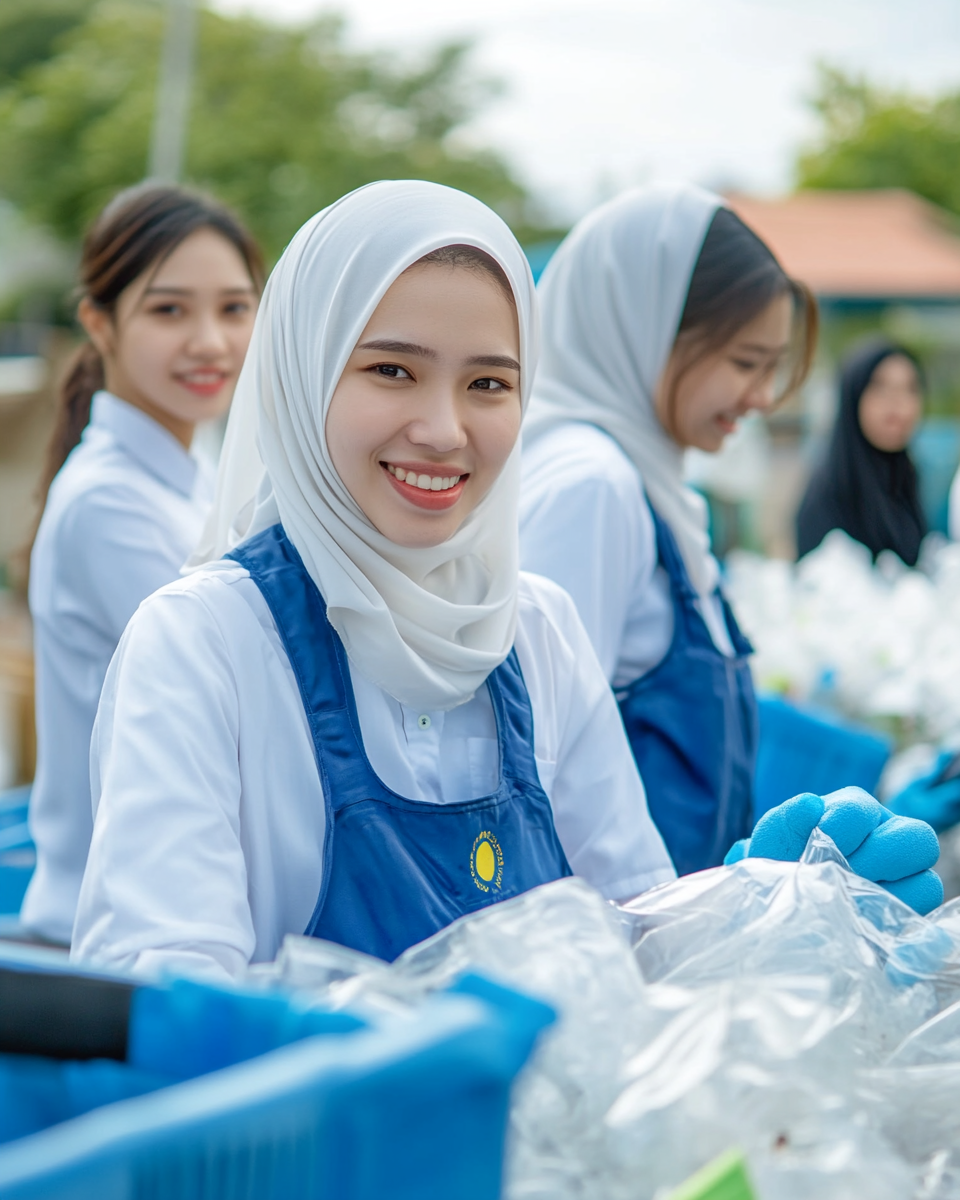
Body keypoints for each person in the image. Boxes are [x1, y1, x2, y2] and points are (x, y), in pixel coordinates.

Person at [71, 182, 941, 981]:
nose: (445, 429)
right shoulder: (205, 642)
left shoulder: (536, 628)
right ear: (301, 376)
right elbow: (166, 1003)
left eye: (489, 382)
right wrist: (436, 1031)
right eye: (391, 370)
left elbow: (633, 938)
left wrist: (766, 914)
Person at [519, 183, 817, 876]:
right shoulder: (591, 487)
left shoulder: (649, 482)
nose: (763, 398)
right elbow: (543, 763)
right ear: (642, 330)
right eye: (746, 363)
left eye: (772, 368)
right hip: (626, 939)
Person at [23, 184, 263, 944]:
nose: (210, 342)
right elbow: (246, 693)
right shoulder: (109, 504)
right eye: (169, 310)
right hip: (116, 931)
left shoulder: (190, 474)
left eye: (233, 308)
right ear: (98, 323)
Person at [796, 338, 927, 565]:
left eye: (910, 389)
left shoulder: (906, 479)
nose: (898, 402)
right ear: (853, 396)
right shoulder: (830, 490)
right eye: (880, 388)